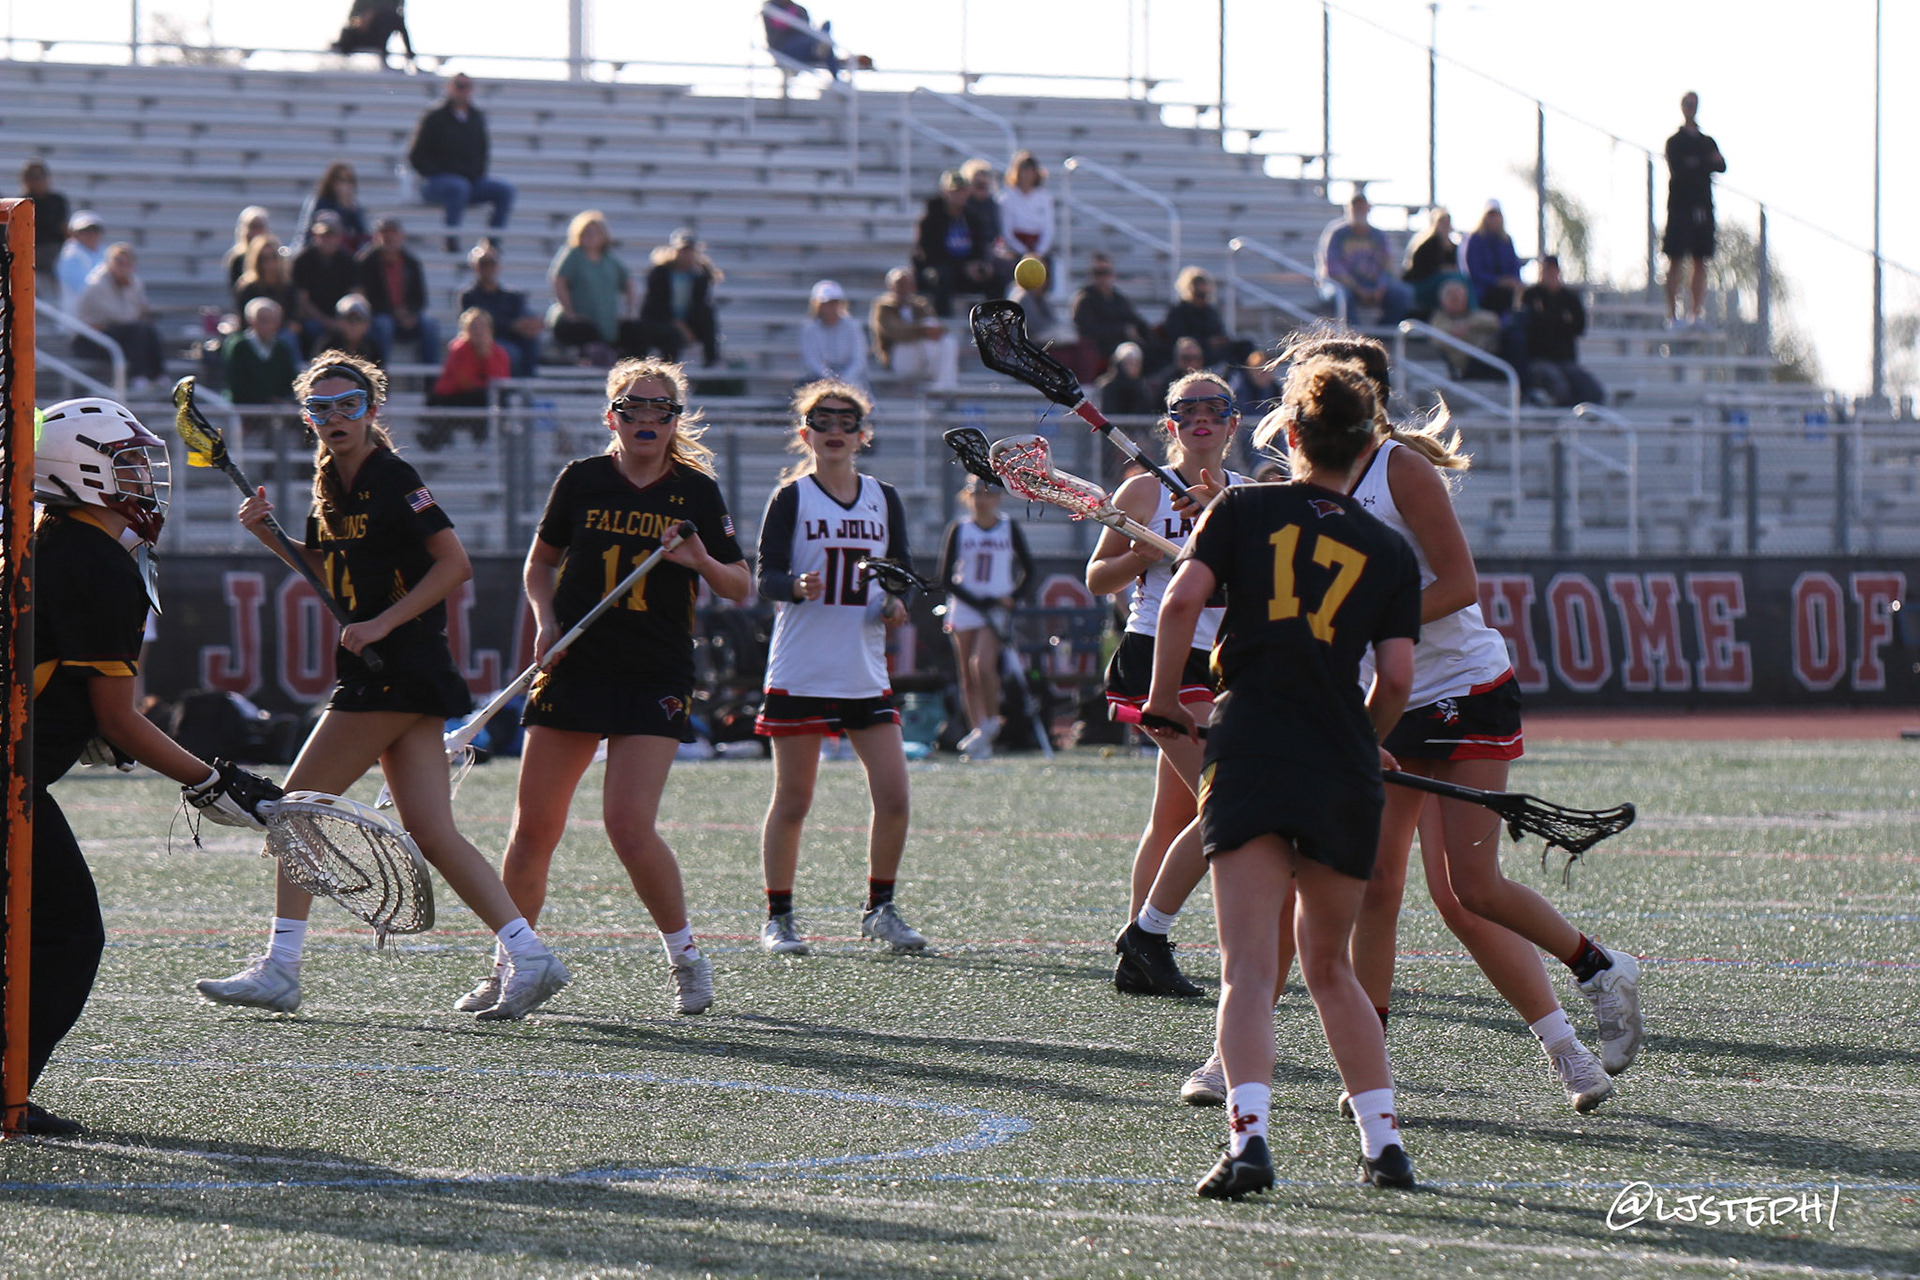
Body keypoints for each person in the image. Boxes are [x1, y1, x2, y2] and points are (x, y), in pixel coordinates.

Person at [197, 352, 570, 1020]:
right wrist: (268, 537)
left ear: (373, 410)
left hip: (397, 667)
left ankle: (282, 966)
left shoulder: (393, 477)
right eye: (321, 408)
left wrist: (382, 623)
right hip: (389, 669)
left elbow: (453, 565)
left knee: (293, 812)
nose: (335, 418)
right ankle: (529, 953)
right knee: (431, 830)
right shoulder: (329, 483)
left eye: (349, 405)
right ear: (307, 417)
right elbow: (325, 569)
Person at [1140, 355, 1423, 1197]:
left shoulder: (1243, 507)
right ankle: (1385, 1146)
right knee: (1331, 967)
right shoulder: (1388, 549)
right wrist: (1364, 739)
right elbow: (1396, 681)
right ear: (1366, 444)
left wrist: (1163, 699)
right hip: (1340, 763)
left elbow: (1179, 603)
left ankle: (1251, 1144)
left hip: (1254, 746)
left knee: (1249, 971)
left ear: (1290, 435)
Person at [24, 397, 283, 1136]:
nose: (144, 477)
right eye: (127, 463)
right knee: (69, 935)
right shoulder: (97, 561)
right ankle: (8, 1089)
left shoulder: (50, 538)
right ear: (79, 468)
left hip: (19, 770)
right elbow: (119, 720)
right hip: (11, 780)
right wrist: (210, 780)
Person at [467, 357, 752, 1018]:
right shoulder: (582, 479)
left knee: (628, 825)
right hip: (576, 663)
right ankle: (511, 965)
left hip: (654, 671)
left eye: (660, 409)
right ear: (611, 416)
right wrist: (546, 622)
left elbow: (740, 584)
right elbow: (540, 565)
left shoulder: (695, 491)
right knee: (533, 827)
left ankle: (686, 957)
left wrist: (698, 559)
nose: (647, 419)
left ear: (675, 419)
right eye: (633, 407)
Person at [1086, 374, 1246, 1000]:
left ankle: (1138, 949)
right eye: (1188, 409)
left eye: (1216, 408)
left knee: (1175, 814)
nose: (1202, 417)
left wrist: (1218, 524)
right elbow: (1099, 577)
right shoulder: (1144, 490)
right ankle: (1149, 939)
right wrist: (1144, 557)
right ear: (1171, 423)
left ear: (1233, 423)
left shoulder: (1248, 494)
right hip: (1158, 657)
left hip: (1222, 663)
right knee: (1228, 801)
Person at [753, 380, 926, 957]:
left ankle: (880, 908)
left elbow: (900, 571)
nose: (834, 429)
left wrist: (897, 601)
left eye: (845, 421)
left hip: (862, 667)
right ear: (805, 434)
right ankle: (779, 917)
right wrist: (794, 586)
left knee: (895, 796)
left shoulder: (883, 496)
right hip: (802, 665)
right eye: (822, 420)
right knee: (794, 799)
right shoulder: (792, 498)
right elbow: (765, 576)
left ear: (862, 435)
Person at [937, 476, 1035, 760]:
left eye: (988, 494)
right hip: (965, 607)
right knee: (967, 675)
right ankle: (979, 733)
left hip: (995, 610)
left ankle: (992, 721)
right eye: (977, 494)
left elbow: (1028, 569)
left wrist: (1012, 597)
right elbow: (946, 577)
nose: (982, 500)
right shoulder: (960, 528)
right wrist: (975, 600)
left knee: (982, 665)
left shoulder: (1008, 527)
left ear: (997, 497)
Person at [408, 74, 515, 247]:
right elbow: (416, 155)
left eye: (467, 86)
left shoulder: (476, 117)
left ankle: (492, 244)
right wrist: (437, 172)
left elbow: (482, 151)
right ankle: (451, 240)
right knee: (458, 186)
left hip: (469, 182)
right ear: (449, 88)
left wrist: (474, 173)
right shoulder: (434, 117)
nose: (463, 90)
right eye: (458, 86)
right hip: (437, 182)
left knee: (504, 190)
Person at [1663, 92, 1726, 328]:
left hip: (1703, 208)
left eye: (1694, 103)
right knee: (1676, 259)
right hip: (1680, 207)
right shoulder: (1675, 142)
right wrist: (1704, 163)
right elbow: (1680, 168)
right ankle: (1672, 315)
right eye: (1688, 103)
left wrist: (1697, 163)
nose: (1691, 107)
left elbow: (1721, 165)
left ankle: (1695, 314)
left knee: (1701, 260)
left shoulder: (1706, 141)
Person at [73, 243, 165, 390]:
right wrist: (135, 305)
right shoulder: (97, 284)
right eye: (119, 263)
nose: (123, 268)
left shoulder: (133, 282)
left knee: (149, 331)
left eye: (128, 264)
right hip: (90, 339)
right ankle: (137, 376)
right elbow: (121, 316)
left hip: (114, 334)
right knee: (138, 331)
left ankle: (158, 375)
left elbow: (138, 311)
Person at [547, 209, 634, 360]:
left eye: (595, 232)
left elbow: (629, 282)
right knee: (586, 333)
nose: (590, 236)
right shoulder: (573, 256)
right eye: (586, 232)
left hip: (605, 319)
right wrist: (570, 312)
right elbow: (559, 280)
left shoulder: (609, 259)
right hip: (581, 321)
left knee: (633, 333)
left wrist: (630, 311)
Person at [1520, 256, 1605, 407]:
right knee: (1559, 387)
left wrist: (1550, 320)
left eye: (1553, 271)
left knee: (1593, 391)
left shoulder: (1569, 298)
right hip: (1539, 360)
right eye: (1547, 271)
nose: (1550, 276)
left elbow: (1579, 327)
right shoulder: (1531, 296)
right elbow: (1531, 326)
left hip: (1565, 361)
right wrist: (1559, 321)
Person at [1317, 192, 1413, 325]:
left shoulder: (1378, 235)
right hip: (1343, 285)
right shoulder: (1337, 234)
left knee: (1402, 293)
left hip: (1373, 285)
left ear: (1368, 209)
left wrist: (1380, 287)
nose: (1359, 210)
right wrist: (1357, 288)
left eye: (1362, 207)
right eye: (1356, 207)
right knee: (1341, 296)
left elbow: (1386, 265)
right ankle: (1353, 333)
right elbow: (1333, 269)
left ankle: (1385, 333)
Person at [913, 170, 999, 318]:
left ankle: (992, 322)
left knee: (996, 279)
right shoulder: (930, 219)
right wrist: (963, 267)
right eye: (955, 191)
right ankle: (942, 321)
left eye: (963, 190)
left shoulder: (973, 218)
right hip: (936, 270)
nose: (960, 195)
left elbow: (980, 248)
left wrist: (981, 265)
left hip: (963, 271)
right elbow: (928, 254)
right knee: (942, 277)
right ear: (945, 192)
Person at [357, 217, 441, 364]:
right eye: (384, 233)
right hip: (379, 315)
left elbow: (420, 298)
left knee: (430, 325)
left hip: (407, 316)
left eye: (393, 233)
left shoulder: (411, 262)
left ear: (401, 236)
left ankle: (431, 376)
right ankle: (380, 374)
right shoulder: (366, 262)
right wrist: (393, 312)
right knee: (384, 325)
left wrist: (411, 313)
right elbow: (365, 298)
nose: (389, 238)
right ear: (376, 237)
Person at [424, 307, 511, 449]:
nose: (478, 331)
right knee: (482, 397)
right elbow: (465, 381)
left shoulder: (498, 352)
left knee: (496, 399)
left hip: (482, 397)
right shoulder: (459, 350)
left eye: (482, 327)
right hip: (453, 396)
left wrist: (486, 356)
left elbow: (499, 381)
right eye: (473, 327)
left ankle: (486, 441)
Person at [635, 228, 722, 367]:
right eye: (683, 250)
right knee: (671, 335)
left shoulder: (700, 275)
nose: (687, 255)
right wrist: (679, 326)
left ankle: (712, 361)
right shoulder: (660, 273)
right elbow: (656, 306)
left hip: (687, 323)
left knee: (707, 314)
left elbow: (699, 304)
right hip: (662, 321)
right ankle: (666, 369)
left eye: (690, 251)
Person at [461, 242, 544, 378]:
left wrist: (532, 324)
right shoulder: (469, 296)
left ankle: (528, 382)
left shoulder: (511, 296)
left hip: (512, 338)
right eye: (483, 263)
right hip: (487, 341)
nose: (488, 267)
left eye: (492, 263)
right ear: (475, 267)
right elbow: (472, 326)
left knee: (529, 339)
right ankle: (514, 386)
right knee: (510, 352)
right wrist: (512, 325)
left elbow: (522, 319)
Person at [870, 266, 959, 389]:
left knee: (948, 341)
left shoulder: (920, 305)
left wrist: (931, 330)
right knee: (927, 331)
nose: (903, 289)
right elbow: (895, 332)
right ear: (891, 287)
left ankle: (944, 386)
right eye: (900, 284)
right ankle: (935, 377)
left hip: (921, 353)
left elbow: (935, 328)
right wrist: (922, 330)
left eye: (907, 284)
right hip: (897, 356)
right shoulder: (883, 307)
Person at [234, 235, 308, 357]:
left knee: (289, 337)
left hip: (281, 331)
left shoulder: (287, 286)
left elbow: (294, 317)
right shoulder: (247, 288)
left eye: (274, 257)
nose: (270, 263)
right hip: (256, 333)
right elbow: (244, 320)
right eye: (264, 258)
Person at [1072, 254, 1151, 365]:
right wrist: (1122, 331)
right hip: (1102, 351)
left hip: (1122, 345)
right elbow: (1088, 331)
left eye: (1106, 272)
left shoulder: (1118, 298)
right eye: (1098, 273)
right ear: (1091, 275)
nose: (1103, 277)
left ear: (1113, 274)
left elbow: (1134, 320)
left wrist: (1149, 336)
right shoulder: (1084, 300)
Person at [292, 216, 361, 341]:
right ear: (315, 235)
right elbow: (303, 301)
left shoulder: (349, 261)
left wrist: (344, 321)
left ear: (340, 237)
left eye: (332, 235)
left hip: (343, 317)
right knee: (312, 328)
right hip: (314, 318)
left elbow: (355, 295)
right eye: (324, 235)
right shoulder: (302, 261)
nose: (328, 239)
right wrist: (327, 321)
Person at [1163, 267, 1248, 366]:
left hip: (1215, 349)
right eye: (1199, 294)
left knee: (1245, 345)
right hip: (1195, 351)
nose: (1202, 298)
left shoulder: (1210, 311)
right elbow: (1177, 337)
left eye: (1204, 294)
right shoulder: (1178, 311)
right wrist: (1206, 342)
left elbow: (1220, 331)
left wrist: (1222, 340)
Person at [222, 298, 300, 407]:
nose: (267, 325)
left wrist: (281, 399)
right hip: (244, 407)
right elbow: (236, 381)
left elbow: (289, 380)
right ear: (251, 321)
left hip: (278, 408)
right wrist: (265, 398)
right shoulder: (239, 345)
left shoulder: (281, 348)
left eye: (272, 320)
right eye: (262, 320)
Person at [798, 279, 868, 390]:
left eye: (834, 303)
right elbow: (812, 361)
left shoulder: (853, 326)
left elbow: (858, 360)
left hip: (851, 381)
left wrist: (845, 379)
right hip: (819, 381)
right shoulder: (810, 329)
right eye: (826, 304)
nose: (830, 307)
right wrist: (829, 379)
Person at [1430, 278, 1504, 381]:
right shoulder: (1440, 319)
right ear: (1444, 300)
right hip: (1468, 361)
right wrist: (1454, 332)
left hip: (1490, 353)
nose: (1458, 302)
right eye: (1454, 298)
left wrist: (1469, 325)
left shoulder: (1473, 315)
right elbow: (1437, 339)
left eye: (1461, 298)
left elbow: (1494, 321)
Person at [1458, 200, 1524, 315]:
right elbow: (1475, 271)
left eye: (1496, 215)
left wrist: (1513, 281)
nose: (1494, 219)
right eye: (1490, 215)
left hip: (1507, 289)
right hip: (1483, 291)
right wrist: (1497, 281)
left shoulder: (1506, 241)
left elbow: (1514, 266)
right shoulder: (1476, 240)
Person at [21, 158, 70, 302]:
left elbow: (63, 229)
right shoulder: (21, 202)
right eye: (32, 177)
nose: (37, 181)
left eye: (40, 177)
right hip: (30, 253)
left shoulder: (57, 200)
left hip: (55, 252)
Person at [1401, 206, 1465, 317]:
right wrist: (1440, 270)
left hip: (1444, 282)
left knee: (1461, 279)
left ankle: (1465, 313)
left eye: (1447, 223)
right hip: (1422, 284)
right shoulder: (1426, 244)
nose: (1445, 226)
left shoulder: (1453, 247)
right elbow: (1418, 271)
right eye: (1442, 223)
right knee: (1452, 278)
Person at [298, 162, 373, 254]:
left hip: (343, 254)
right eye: (341, 180)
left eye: (349, 180)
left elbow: (363, 235)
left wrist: (349, 210)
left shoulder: (354, 206)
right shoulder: (319, 202)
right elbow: (307, 233)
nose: (345, 185)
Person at [997, 151, 1054, 262]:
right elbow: (1007, 232)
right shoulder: (1006, 198)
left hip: (1038, 251)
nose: (1027, 174)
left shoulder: (1045, 198)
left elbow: (1048, 229)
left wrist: (1038, 252)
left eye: (1031, 170)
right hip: (1014, 252)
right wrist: (1024, 252)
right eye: (1024, 170)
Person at [331, 0, 414, 71]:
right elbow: (352, 17)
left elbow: (400, 21)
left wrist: (373, 14)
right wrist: (361, 20)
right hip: (359, 36)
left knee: (390, 19)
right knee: (347, 34)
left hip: (379, 40)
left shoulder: (391, 15)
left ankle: (406, 59)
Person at [56, 210, 107, 307]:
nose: (91, 234)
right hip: (76, 313)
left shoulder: (106, 253)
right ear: (74, 234)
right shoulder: (68, 258)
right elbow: (83, 290)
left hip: (103, 310)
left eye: (95, 230)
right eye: (85, 231)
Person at [321, 293, 384, 367]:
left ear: (367, 324)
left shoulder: (373, 348)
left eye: (358, 319)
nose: (353, 325)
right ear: (339, 322)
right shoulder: (327, 345)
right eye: (349, 319)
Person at [1096, 341, 1156, 416]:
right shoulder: (1109, 388)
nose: (1133, 367)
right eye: (1130, 363)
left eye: (1137, 363)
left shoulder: (1143, 388)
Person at [1149, 336, 1208, 405]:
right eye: (1186, 358)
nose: (1191, 362)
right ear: (1177, 359)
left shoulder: (1208, 382)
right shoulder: (1167, 381)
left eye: (1195, 358)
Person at [225, 206, 272, 288]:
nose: (257, 231)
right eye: (254, 227)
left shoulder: (273, 256)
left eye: (260, 226)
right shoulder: (238, 259)